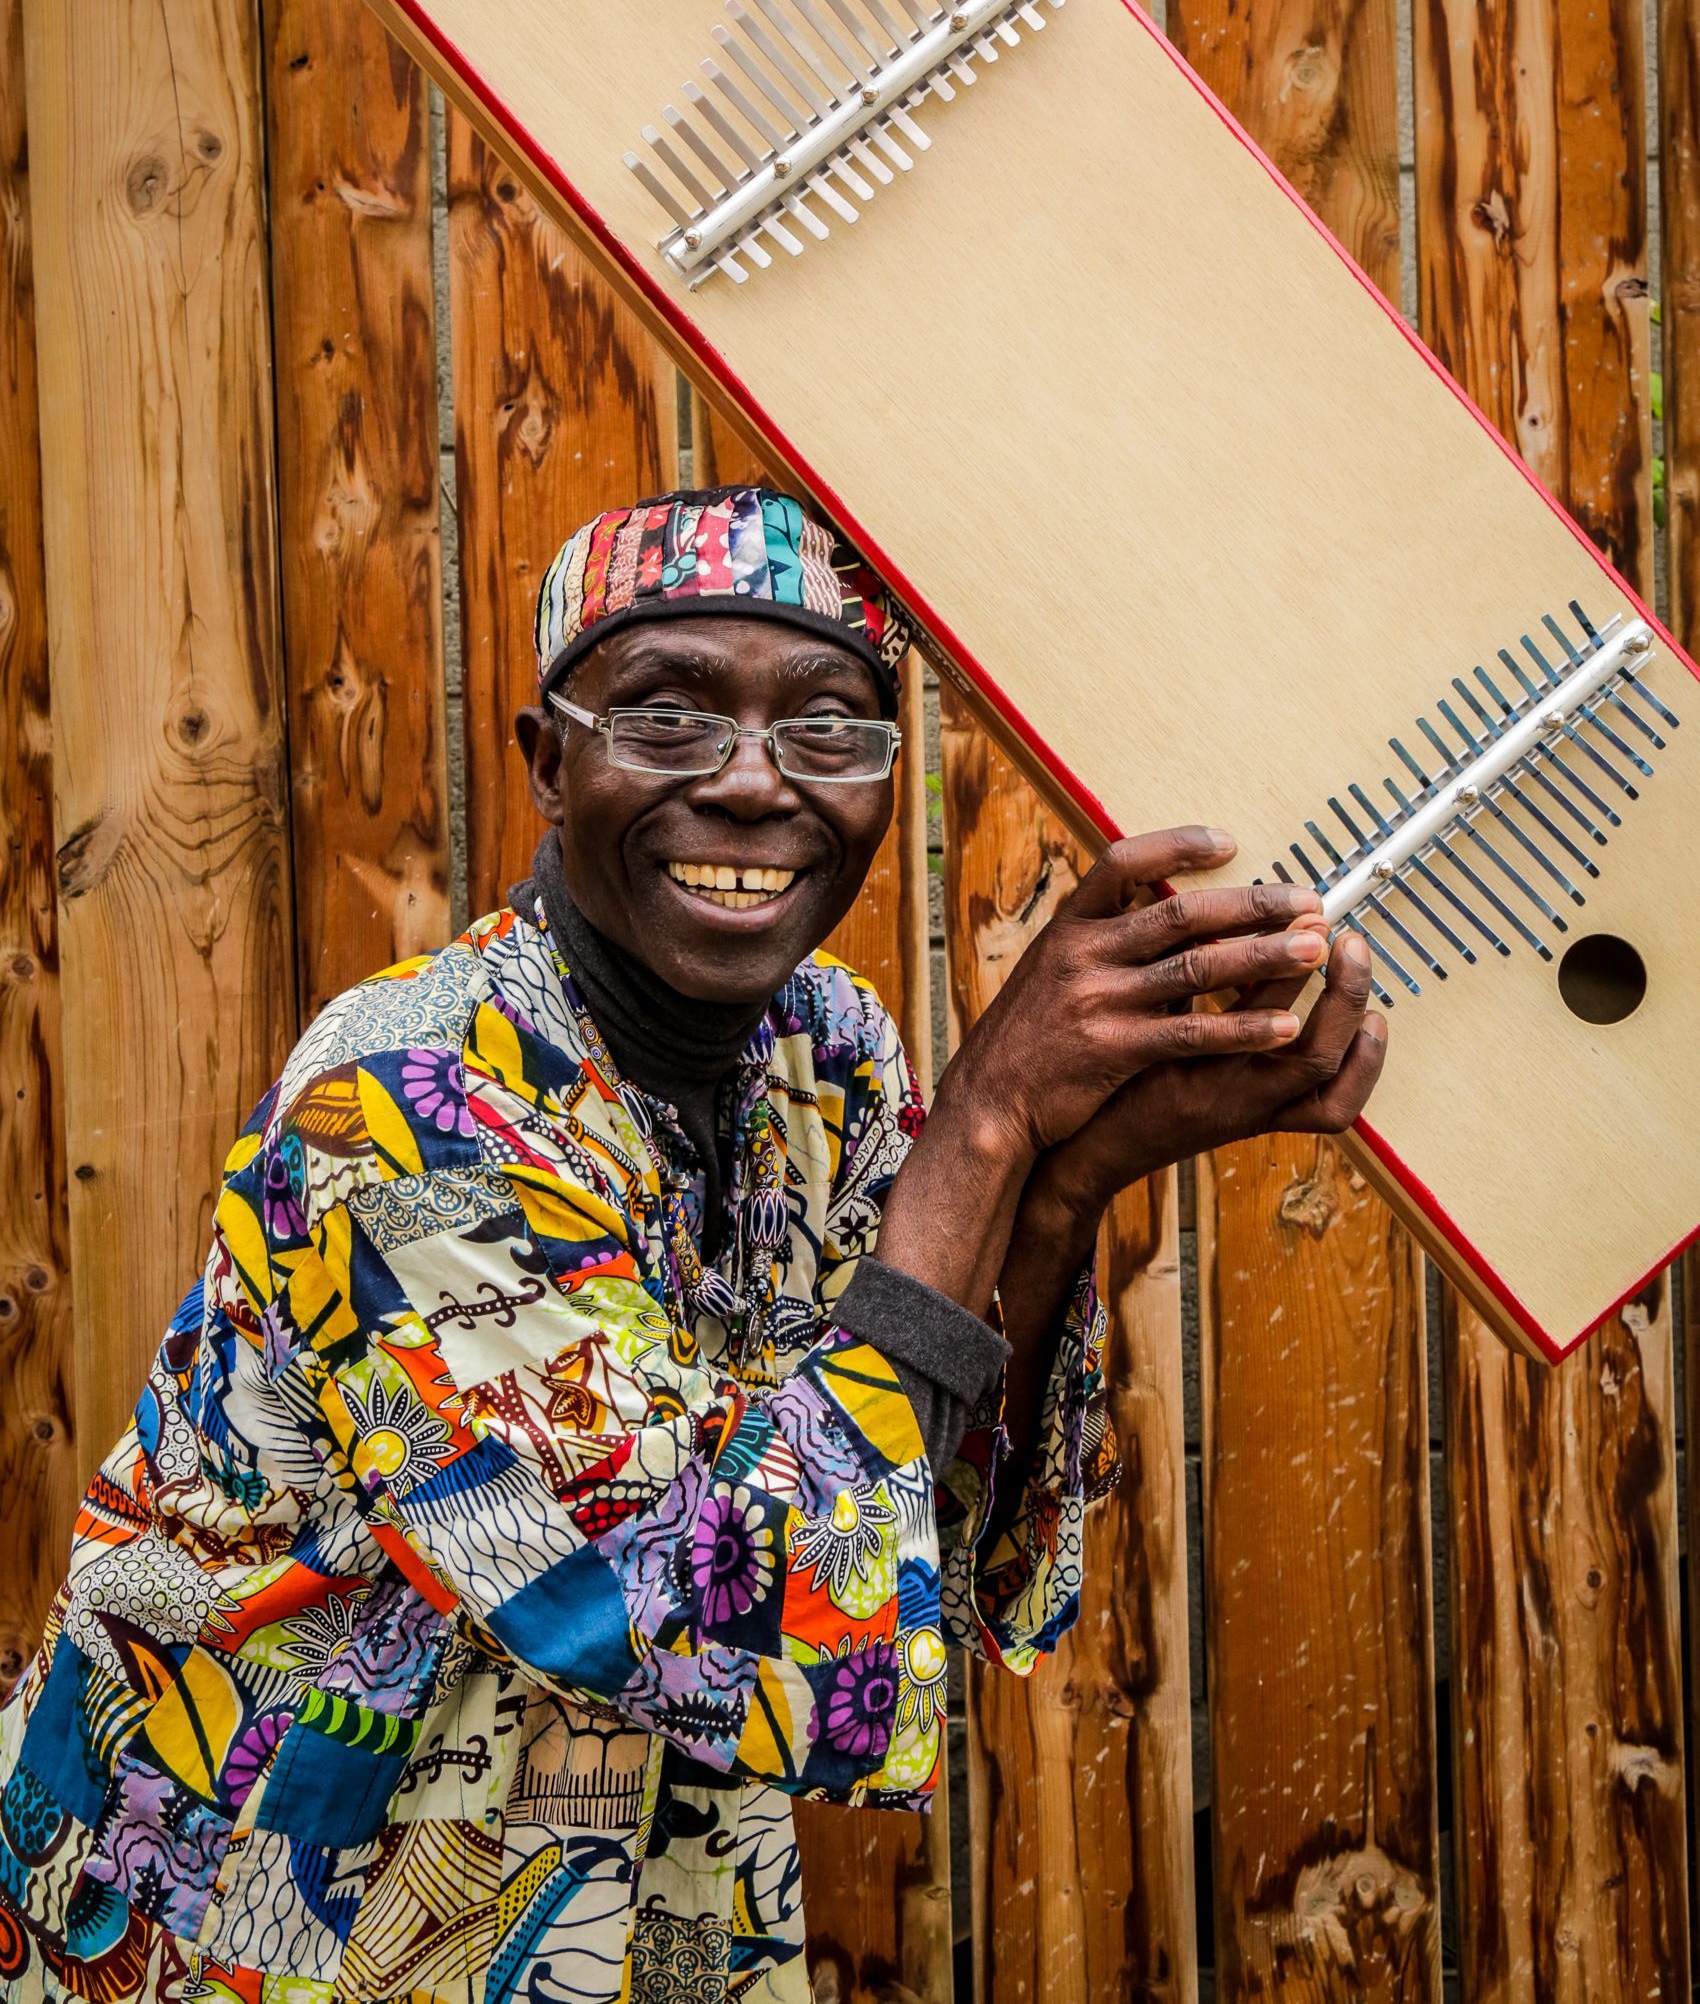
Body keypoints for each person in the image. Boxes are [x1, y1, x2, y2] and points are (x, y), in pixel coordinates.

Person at [0, 487, 1384, 2003]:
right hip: (250, 1908)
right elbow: (686, 1608)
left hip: (623, 1912)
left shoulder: (830, 1053)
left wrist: (1074, 1171)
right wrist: (988, 1119)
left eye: (828, 728)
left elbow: (913, 1505)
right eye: (664, 717)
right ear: (548, 760)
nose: (749, 783)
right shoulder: (400, 1105)